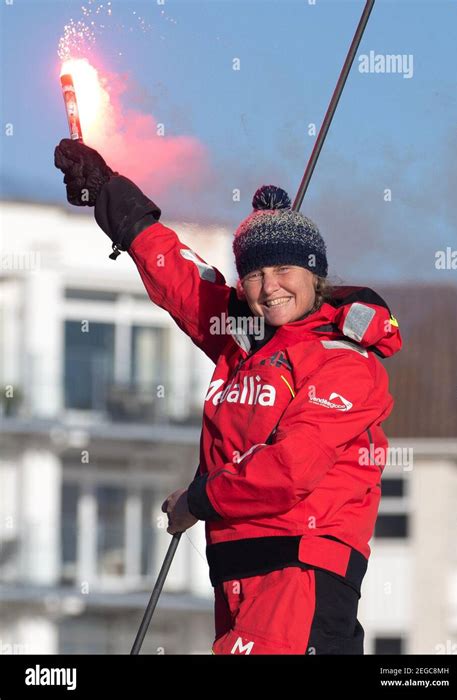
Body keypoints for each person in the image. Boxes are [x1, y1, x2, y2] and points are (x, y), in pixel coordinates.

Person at [54, 139, 402, 655]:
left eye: (285, 270)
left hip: (299, 575)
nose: (269, 287)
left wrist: (198, 499)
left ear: (316, 275)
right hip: (238, 576)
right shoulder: (245, 340)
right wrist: (112, 196)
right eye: (255, 274)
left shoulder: (344, 361)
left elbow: (290, 468)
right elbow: (183, 280)